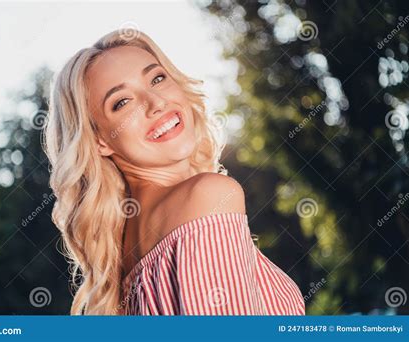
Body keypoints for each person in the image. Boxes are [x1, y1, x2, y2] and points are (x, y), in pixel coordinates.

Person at [43, 29, 305, 315]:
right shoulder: (208, 196)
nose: (156, 104)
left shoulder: (124, 258)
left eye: (157, 78)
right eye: (122, 102)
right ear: (99, 141)